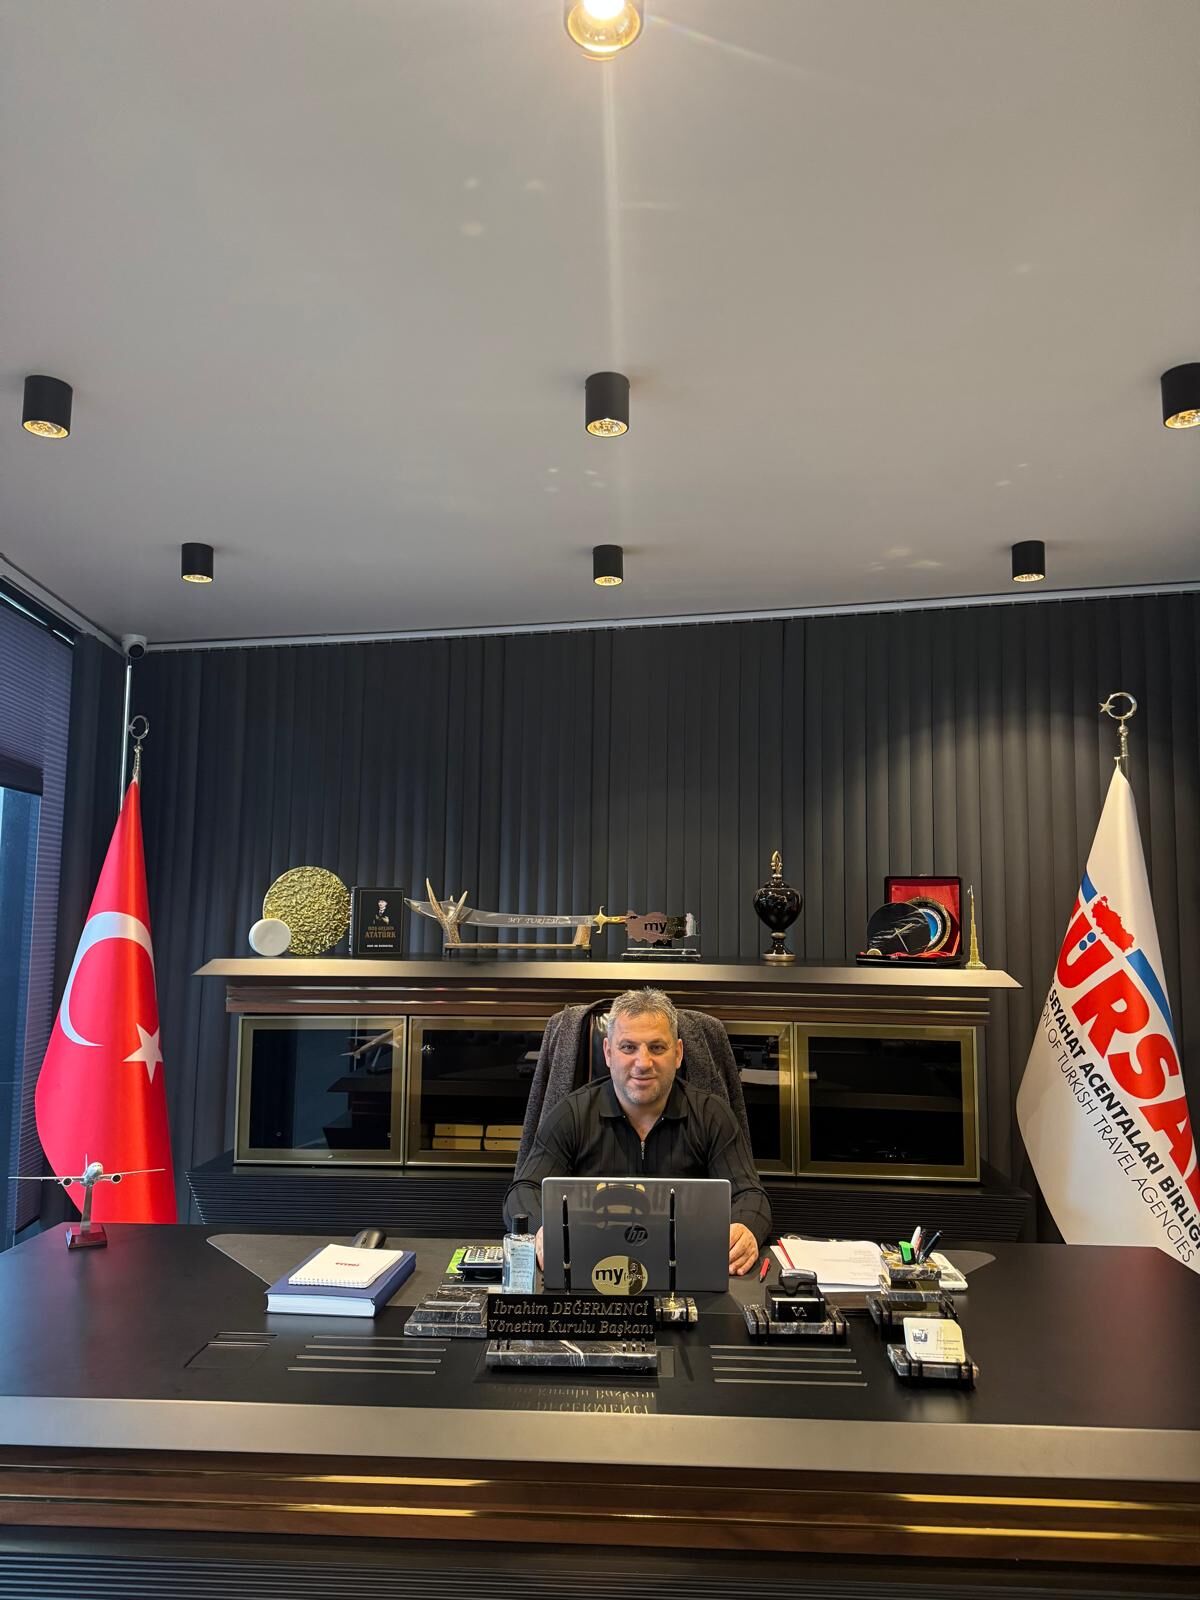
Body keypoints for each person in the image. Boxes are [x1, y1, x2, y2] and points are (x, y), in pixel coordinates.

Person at [504, 988, 772, 1276]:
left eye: (657, 1048)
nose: (643, 1063)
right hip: (592, 1272)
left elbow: (751, 1195)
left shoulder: (711, 1114)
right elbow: (522, 1191)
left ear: (678, 1053)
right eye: (628, 1047)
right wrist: (541, 1229)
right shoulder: (571, 1114)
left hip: (688, 1273)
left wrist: (745, 1228)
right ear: (608, 1053)